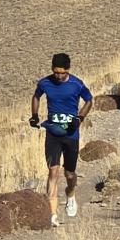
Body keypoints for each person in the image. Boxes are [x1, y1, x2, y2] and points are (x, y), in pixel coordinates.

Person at [30, 53, 93, 226]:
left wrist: (80, 118)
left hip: (71, 135)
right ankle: (52, 214)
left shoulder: (76, 84)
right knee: (53, 171)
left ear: (68, 70)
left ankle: (70, 193)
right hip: (53, 134)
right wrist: (34, 115)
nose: (58, 76)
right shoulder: (45, 83)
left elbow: (89, 100)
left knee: (69, 174)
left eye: (62, 73)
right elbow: (36, 96)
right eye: (56, 72)